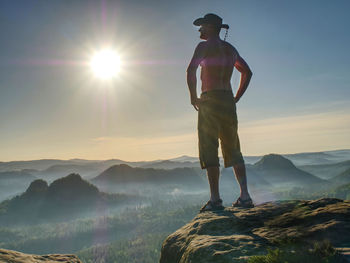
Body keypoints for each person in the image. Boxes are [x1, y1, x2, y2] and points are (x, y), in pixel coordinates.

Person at [186, 13, 253, 212]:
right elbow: (247, 72)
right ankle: (245, 196)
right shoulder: (230, 49)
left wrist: (193, 96)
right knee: (234, 148)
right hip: (227, 100)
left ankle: (215, 199)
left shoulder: (204, 47)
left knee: (209, 148)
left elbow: (190, 71)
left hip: (209, 99)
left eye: (202, 27)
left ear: (210, 27)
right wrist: (237, 97)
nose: (199, 30)